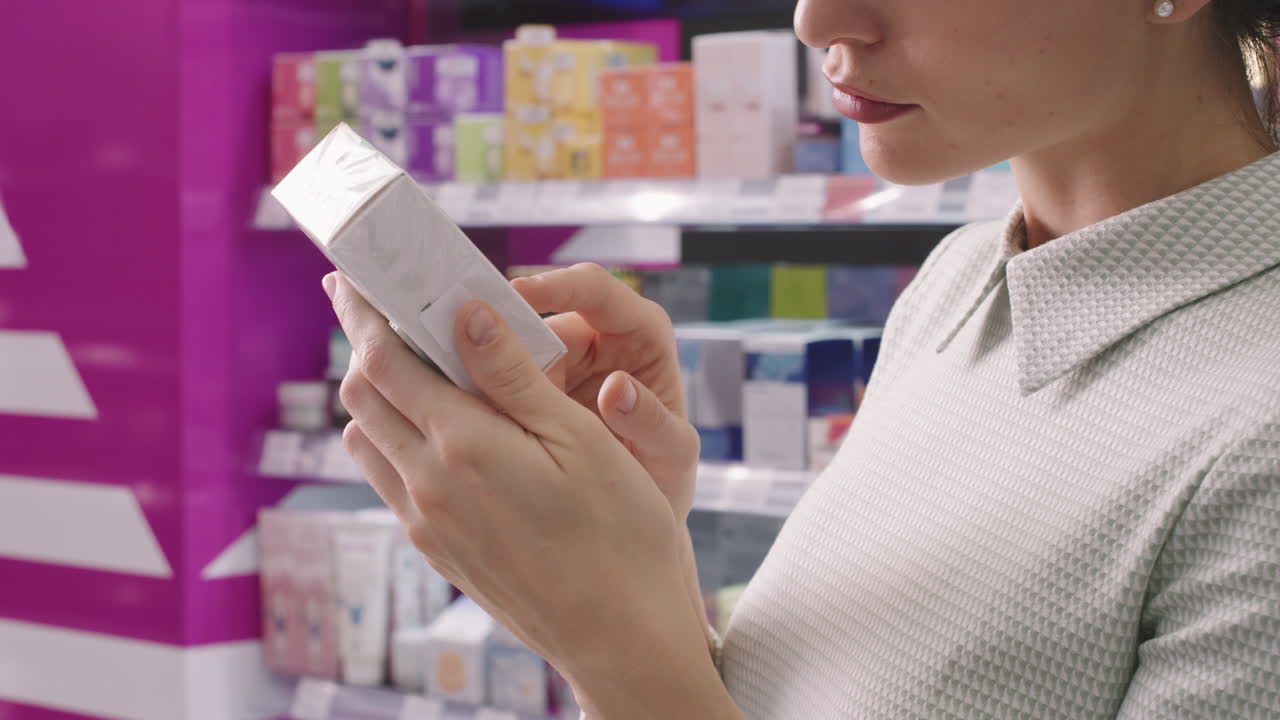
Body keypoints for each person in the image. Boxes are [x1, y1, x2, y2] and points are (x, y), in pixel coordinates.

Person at [321, 0, 1280, 716]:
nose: (816, 18)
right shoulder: (958, 284)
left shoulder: (1258, 442)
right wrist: (630, 554)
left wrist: (607, 641)